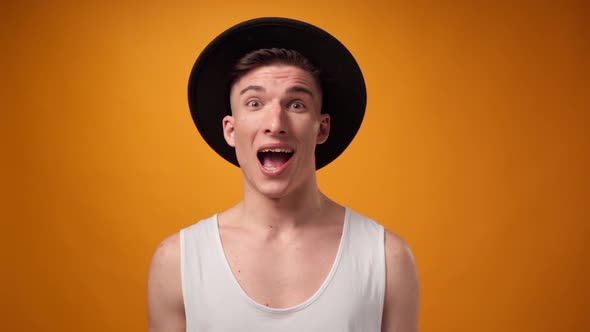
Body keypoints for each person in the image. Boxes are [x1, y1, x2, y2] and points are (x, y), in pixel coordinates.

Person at [147, 17, 419, 332]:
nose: (275, 122)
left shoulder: (387, 259)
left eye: (296, 104)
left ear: (323, 128)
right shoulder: (177, 262)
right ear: (231, 130)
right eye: (254, 102)